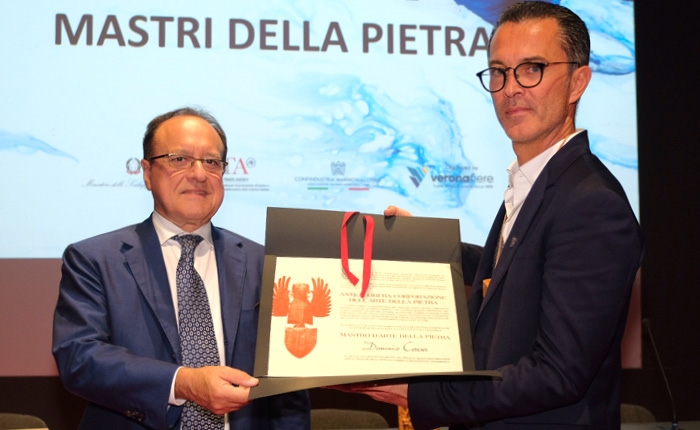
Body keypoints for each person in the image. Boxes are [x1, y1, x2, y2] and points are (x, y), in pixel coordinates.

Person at [342, 2, 643, 429]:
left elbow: (557, 374)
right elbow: (515, 272)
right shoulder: (537, 183)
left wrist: (422, 394)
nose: (510, 88)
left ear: (578, 82)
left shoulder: (592, 204)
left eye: (532, 69)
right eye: (499, 72)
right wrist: (426, 246)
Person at [52, 107, 310, 429]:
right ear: (147, 172)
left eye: (211, 162)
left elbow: (288, 389)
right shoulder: (94, 259)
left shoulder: (263, 263)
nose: (199, 174)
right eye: (179, 159)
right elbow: (80, 358)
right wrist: (183, 382)